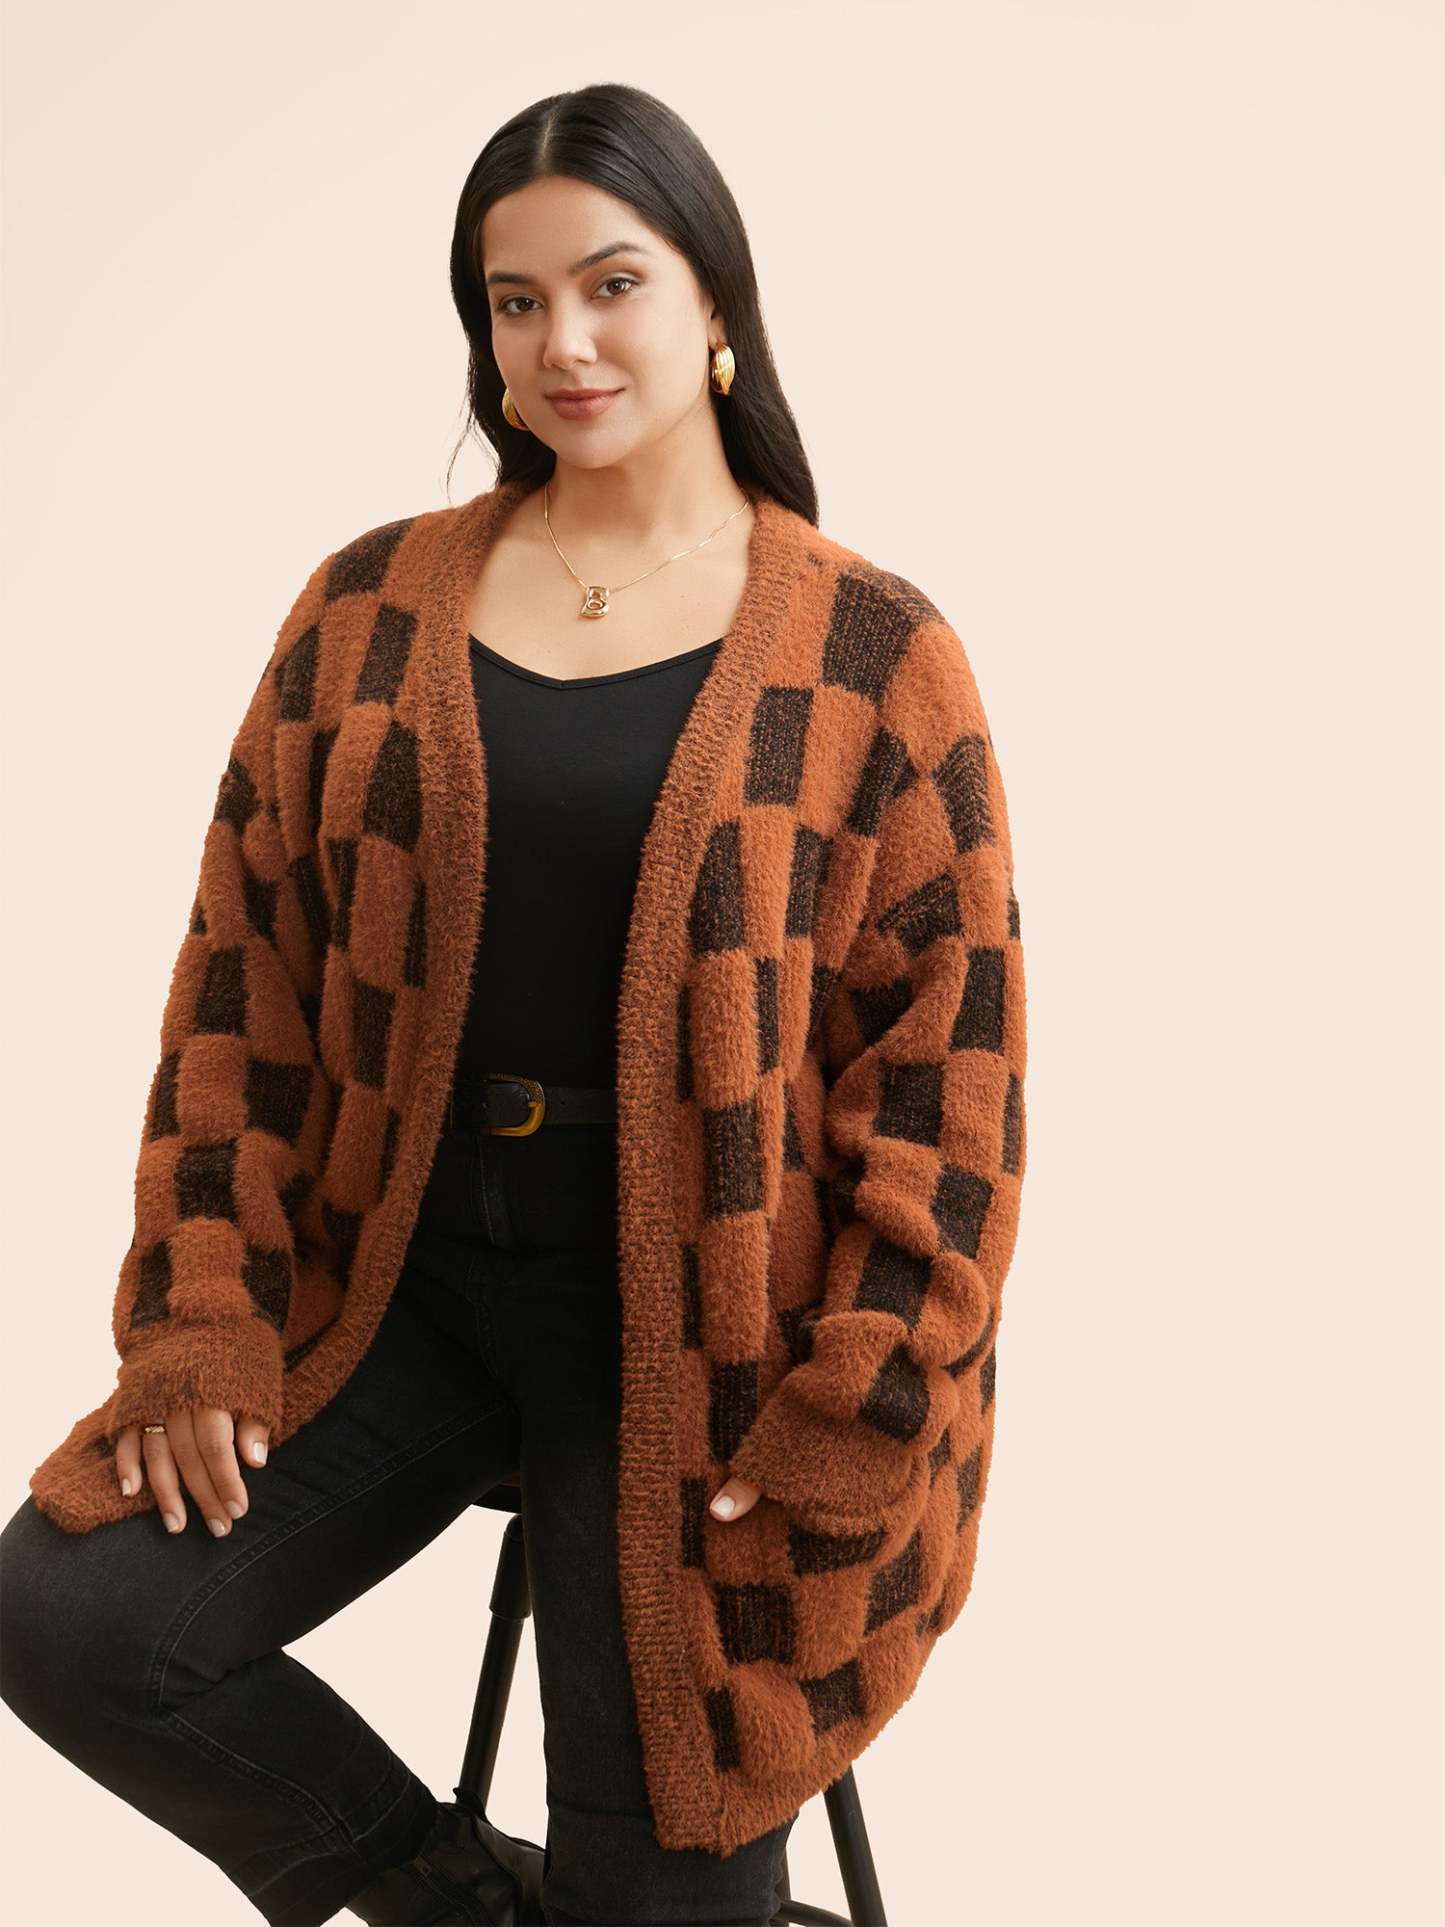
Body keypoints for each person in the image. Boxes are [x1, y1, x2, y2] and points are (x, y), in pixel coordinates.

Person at [1, 82, 1028, 1927]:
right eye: (513, 300)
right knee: (70, 1622)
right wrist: (200, 1321)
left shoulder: (870, 655)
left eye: (611, 284)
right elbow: (240, 990)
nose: (561, 344)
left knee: (666, 1876)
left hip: (712, 1330)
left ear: (713, 303)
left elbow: (949, 1083)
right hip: (394, 1285)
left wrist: (859, 1399)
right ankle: (461, 1902)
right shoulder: (365, 611)